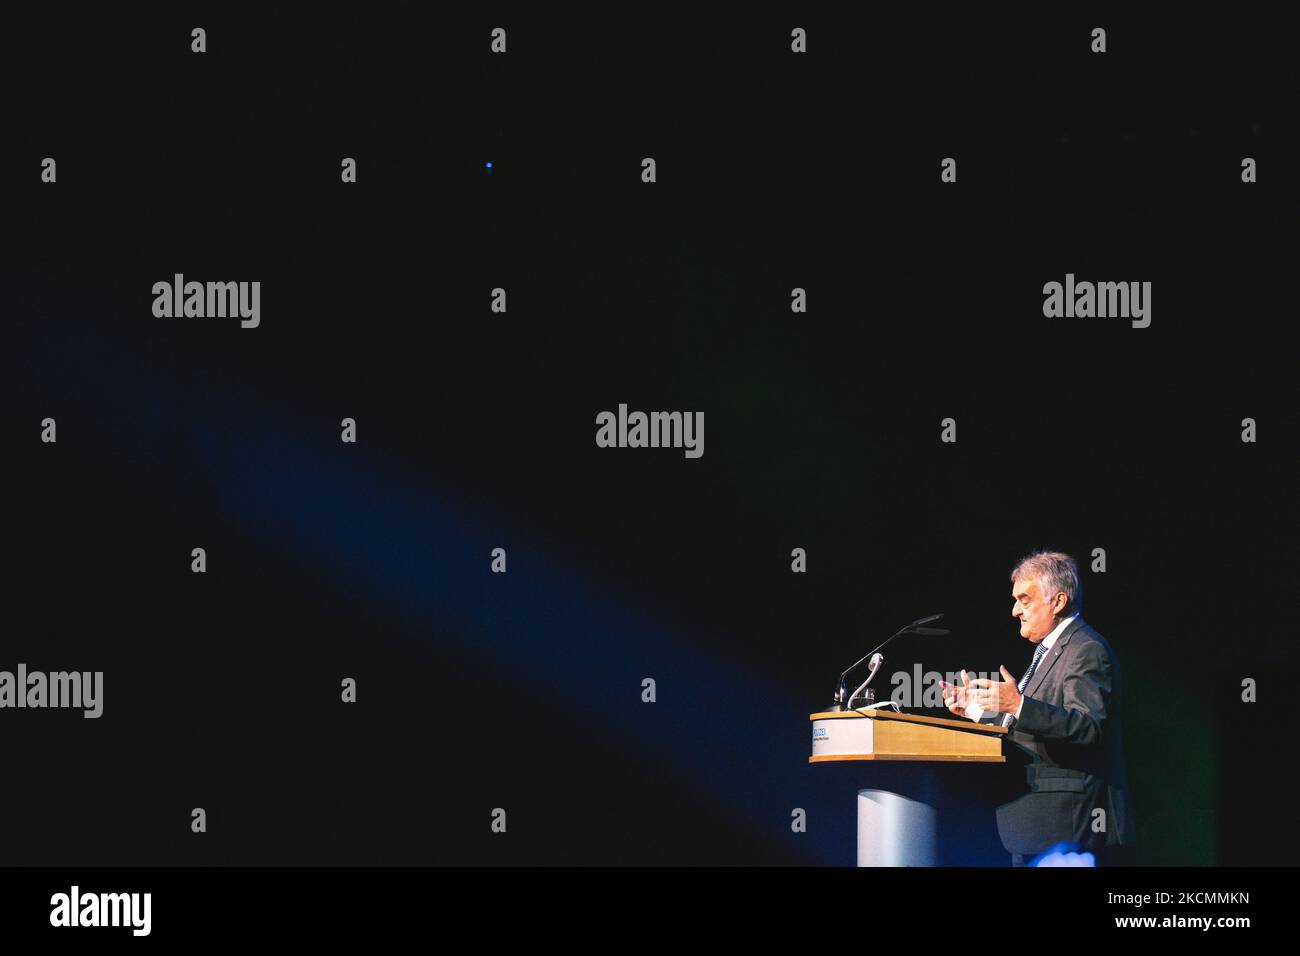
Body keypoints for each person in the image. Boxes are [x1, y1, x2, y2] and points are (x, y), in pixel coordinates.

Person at [940, 551, 1136, 865]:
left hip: (1070, 823)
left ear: (1058, 602)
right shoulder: (1049, 650)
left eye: (1025, 599)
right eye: (1016, 600)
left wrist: (1018, 704)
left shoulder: (1086, 649)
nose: (1015, 610)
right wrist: (977, 712)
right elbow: (1029, 729)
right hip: (1036, 822)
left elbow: (1088, 726)